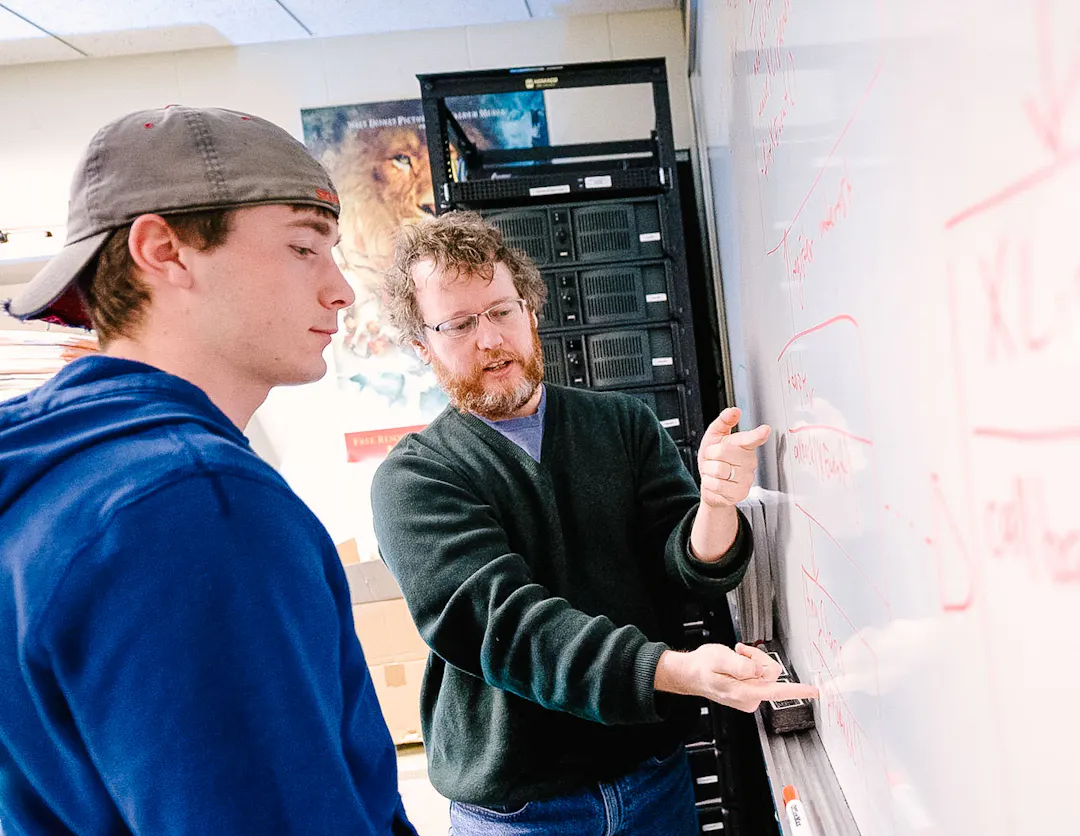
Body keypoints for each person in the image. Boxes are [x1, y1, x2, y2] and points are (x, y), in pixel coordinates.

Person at [0, 106, 416, 835]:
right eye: (302, 247)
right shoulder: (190, 504)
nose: (342, 290)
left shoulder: (53, 477)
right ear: (164, 249)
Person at [371, 212, 818, 835]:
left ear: (531, 310)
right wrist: (674, 671)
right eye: (459, 324)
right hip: (521, 812)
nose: (490, 339)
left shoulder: (622, 425)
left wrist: (716, 504)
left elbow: (687, 570)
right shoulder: (416, 480)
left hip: (651, 781)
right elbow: (509, 629)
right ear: (423, 346)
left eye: (502, 311)